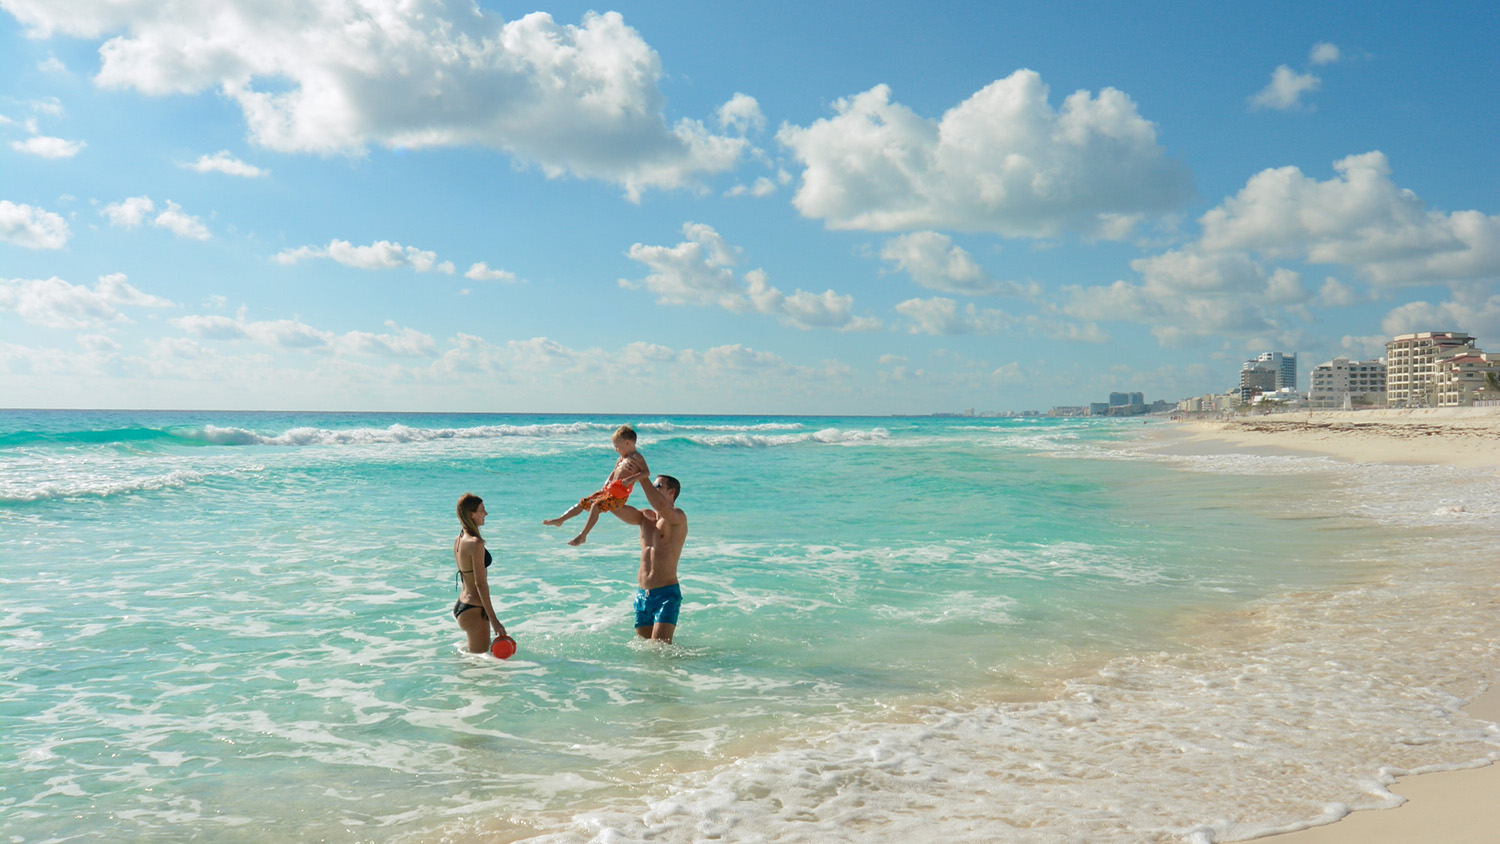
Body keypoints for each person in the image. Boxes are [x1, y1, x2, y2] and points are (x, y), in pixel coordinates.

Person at [610, 473, 687, 643]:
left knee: (660, 651)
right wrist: (614, 479)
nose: (653, 489)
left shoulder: (677, 517)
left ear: (671, 492)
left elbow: (662, 508)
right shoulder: (644, 517)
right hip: (642, 595)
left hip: (666, 595)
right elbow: (612, 506)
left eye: (658, 486)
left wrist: (642, 477)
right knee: (646, 652)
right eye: (653, 485)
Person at [542, 425, 648, 546]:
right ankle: (560, 520)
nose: (615, 450)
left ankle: (583, 535)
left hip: (618, 497)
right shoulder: (621, 458)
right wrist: (608, 481)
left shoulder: (636, 457)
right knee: (583, 502)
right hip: (608, 491)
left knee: (595, 507)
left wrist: (630, 479)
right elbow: (614, 472)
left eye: (617, 446)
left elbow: (646, 473)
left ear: (627, 443)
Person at [453, 492, 508, 653]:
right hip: (475, 611)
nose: (486, 514)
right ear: (471, 514)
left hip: (464, 605)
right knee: (480, 667)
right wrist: (494, 620)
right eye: (482, 510)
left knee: (476, 662)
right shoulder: (475, 543)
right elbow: (480, 584)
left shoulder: (460, 538)